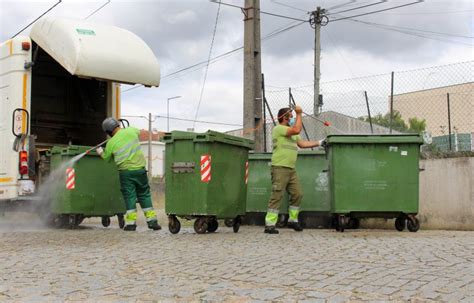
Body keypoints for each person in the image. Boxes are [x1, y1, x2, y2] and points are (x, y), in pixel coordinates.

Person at [264, 105, 325, 234]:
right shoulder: (279, 129)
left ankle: (292, 220)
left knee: (297, 194)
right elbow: (297, 129)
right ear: (285, 117)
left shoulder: (292, 132)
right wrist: (299, 114)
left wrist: (319, 142)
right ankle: (269, 224)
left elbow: (302, 144)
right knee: (277, 195)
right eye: (291, 117)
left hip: (291, 169)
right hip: (279, 167)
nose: (292, 119)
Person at [97, 117, 161, 231]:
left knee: (130, 197)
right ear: (118, 125)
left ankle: (131, 224)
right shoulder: (131, 130)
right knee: (144, 195)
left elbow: (106, 158)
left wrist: (100, 151)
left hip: (126, 173)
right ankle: (152, 222)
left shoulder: (111, 143)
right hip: (140, 170)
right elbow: (138, 132)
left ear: (108, 131)